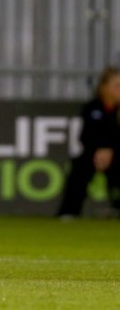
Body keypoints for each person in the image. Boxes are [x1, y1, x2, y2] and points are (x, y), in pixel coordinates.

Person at [57, 67, 120, 218]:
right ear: (104, 87)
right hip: (93, 155)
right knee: (79, 168)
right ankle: (69, 212)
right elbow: (85, 136)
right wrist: (98, 150)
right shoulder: (92, 107)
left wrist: (112, 150)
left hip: (117, 155)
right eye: (117, 86)